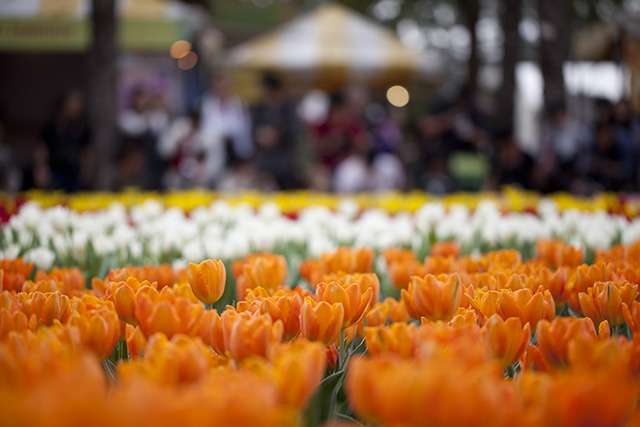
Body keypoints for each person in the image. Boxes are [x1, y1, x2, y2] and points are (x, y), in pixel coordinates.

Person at [200, 73, 253, 187]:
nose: (221, 89)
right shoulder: (207, 104)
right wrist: (220, 135)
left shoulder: (237, 103)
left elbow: (243, 127)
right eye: (218, 87)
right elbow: (206, 128)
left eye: (223, 86)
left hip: (235, 150)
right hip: (215, 149)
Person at [251, 73, 302, 189]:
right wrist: (261, 136)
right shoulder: (260, 109)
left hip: (285, 161)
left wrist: (278, 135)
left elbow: (295, 133)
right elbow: (253, 132)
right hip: (265, 162)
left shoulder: (287, 109)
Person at [37, 90, 91, 192]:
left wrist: (87, 170)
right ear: (67, 103)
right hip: (55, 170)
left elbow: (87, 151)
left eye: (80, 105)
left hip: (74, 172)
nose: (77, 108)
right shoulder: (51, 124)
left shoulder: (83, 126)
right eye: (75, 103)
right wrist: (41, 167)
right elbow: (42, 148)